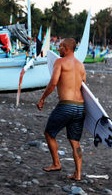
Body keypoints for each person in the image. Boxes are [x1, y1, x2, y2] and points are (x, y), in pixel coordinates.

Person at [37, 38, 86, 181]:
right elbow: (84, 88)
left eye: (60, 47)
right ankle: (78, 174)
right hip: (80, 107)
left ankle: (56, 163)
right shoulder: (81, 66)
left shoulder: (60, 62)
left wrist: (42, 98)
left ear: (66, 48)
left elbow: (53, 83)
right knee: (75, 141)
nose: (58, 49)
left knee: (49, 133)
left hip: (66, 106)